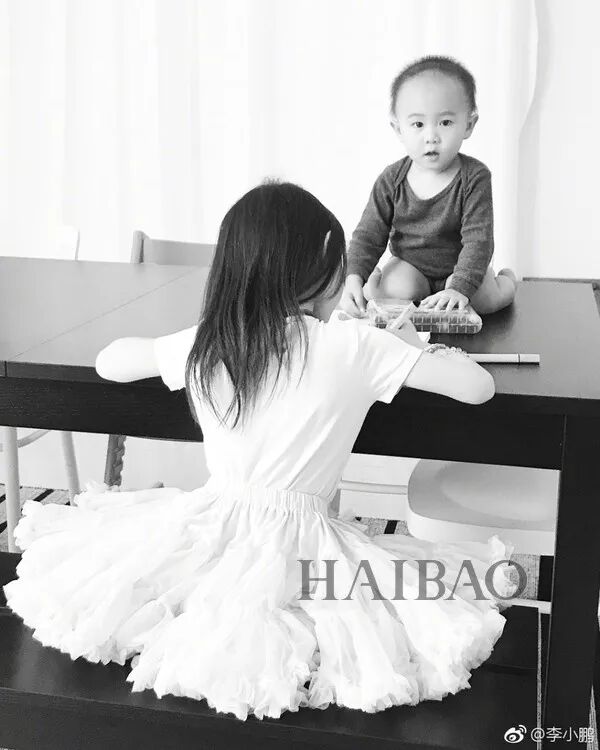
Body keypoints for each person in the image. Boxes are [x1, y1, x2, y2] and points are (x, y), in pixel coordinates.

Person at [4, 182, 514, 722]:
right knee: (367, 617)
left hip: (211, 528)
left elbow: (110, 362)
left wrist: (179, 342)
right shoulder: (355, 345)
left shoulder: (214, 340)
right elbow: (477, 387)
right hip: (305, 542)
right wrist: (408, 343)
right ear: (323, 263)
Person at [341, 55, 517, 317]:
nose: (431, 137)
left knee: (484, 301)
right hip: (410, 267)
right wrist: (354, 276)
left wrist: (458, 288)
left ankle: (507, 282)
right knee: (394, 291)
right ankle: (377, 281)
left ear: (469, 125)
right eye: (418, 124)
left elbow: (478, 241)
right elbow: (368, 235)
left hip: (460, 269)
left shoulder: (475, 177)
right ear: (398, 128)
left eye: (445, 122)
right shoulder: (391, 180)